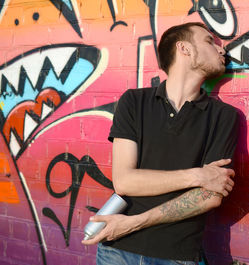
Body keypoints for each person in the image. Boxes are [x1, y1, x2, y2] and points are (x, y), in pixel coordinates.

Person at [82, 22, 239, 265]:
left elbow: (210, 196)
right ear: (184, 48)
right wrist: (198, 176)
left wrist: (132, 223)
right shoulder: (134, 102)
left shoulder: (224, 116)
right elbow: (124, 182)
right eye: (210, 42)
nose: (222, 51)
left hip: (177, 256)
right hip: (117, 252)